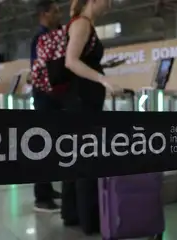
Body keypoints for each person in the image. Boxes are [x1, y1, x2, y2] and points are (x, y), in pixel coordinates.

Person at [60, 0, 123, 235]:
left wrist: (101, 68)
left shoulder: (82, 24)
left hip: (80, 101)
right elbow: (71, 61)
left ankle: (73, 214)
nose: (109, 4)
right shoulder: (82, 24)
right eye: (106, 0)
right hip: (82, 103)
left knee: (75, 158)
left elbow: (81, 60)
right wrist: (103, 80)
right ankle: (90, 220)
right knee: (87, 158)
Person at [30, 0, 62, 213]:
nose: (58, 14)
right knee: (43, 146)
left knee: (51, 146)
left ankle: (47, 188)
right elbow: (40, 71)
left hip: (50, 98)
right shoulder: (40, 38)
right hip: (44, 98)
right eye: (55, 11)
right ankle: (41, 196)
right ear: (44, 13)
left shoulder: (49, 36)